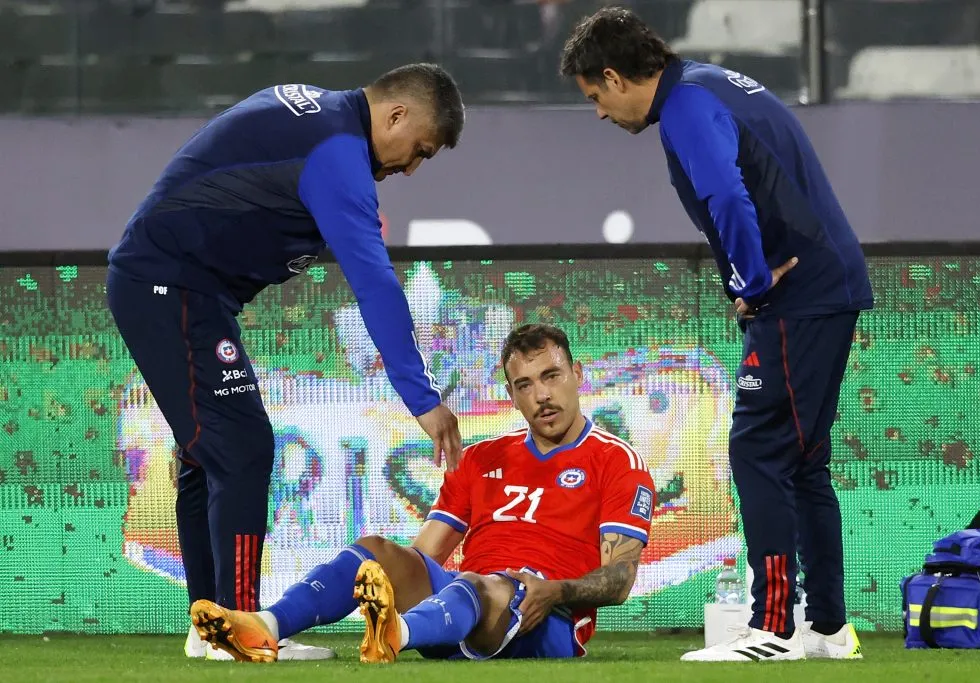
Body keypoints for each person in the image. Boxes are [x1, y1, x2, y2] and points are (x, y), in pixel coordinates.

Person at [106, 64, 466, 660]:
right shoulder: (339, 157)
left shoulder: (313, 109)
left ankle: (213, 627)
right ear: (396, 115)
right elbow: (375, 284)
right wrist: (423, 399)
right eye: (420, 150)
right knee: (241, 446)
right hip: (171, 286)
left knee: (209, 452)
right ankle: (241, 632)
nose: (411, 168)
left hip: (172, 285)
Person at [560, 7, 873, 662]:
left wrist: (751, 282)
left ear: (614, 77)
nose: (599, 113)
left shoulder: (686, 107)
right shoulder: (709, 84)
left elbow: (728, 198)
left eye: (594, 97)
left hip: (799, 295)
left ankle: (772, 629)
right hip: (827, 284)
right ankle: (827, 628)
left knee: (758, 448)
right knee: (802, 460)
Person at [187, 323, 656, 663]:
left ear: (577, 374)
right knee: (376, 552)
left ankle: (397, 633)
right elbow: (423, 557)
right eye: (525, 385)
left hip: (543, 620)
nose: (542, 395)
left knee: (486, 584)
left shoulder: (617, 462)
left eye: (552, 376)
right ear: (512, 395)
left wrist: (556, 591)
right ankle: (265, 626)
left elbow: (620, 578)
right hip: (458, 609)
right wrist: (394, 574)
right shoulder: (481, 458)